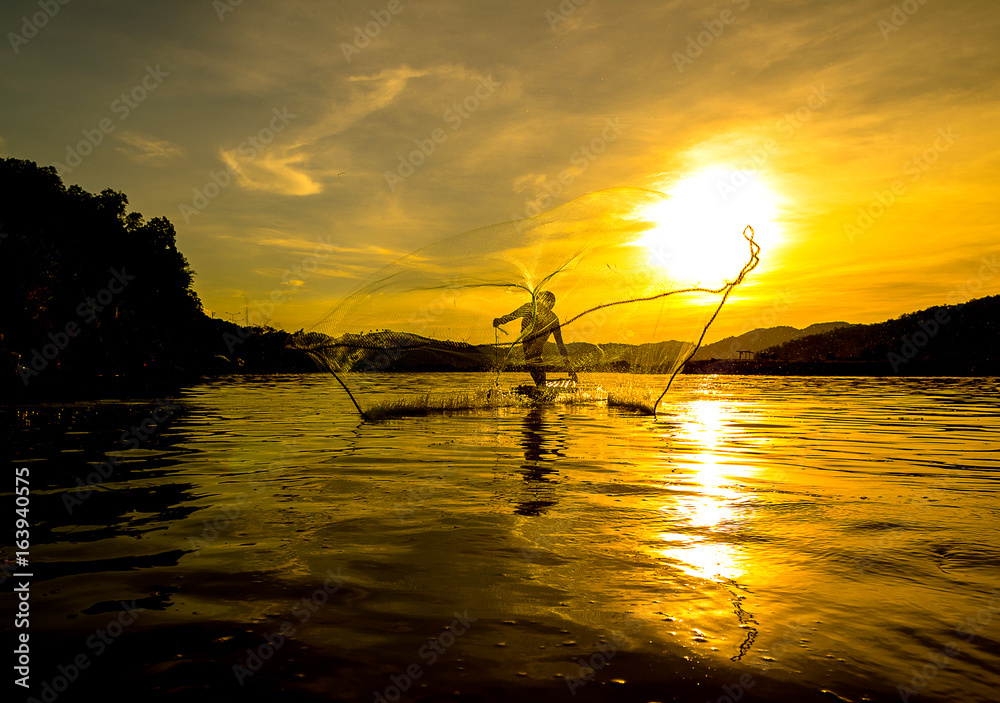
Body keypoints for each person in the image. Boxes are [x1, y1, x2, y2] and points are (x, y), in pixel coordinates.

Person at [494, 291, 578, 387]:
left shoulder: (553, 319)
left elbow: (560, 345)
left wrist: (569, 366)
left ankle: (541, 389)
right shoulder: (530, 308)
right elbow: (512, 316)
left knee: (536, 367)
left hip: (535, 352)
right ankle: (541, 389)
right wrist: (500, 321)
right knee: (535, 369)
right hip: (529, 349)